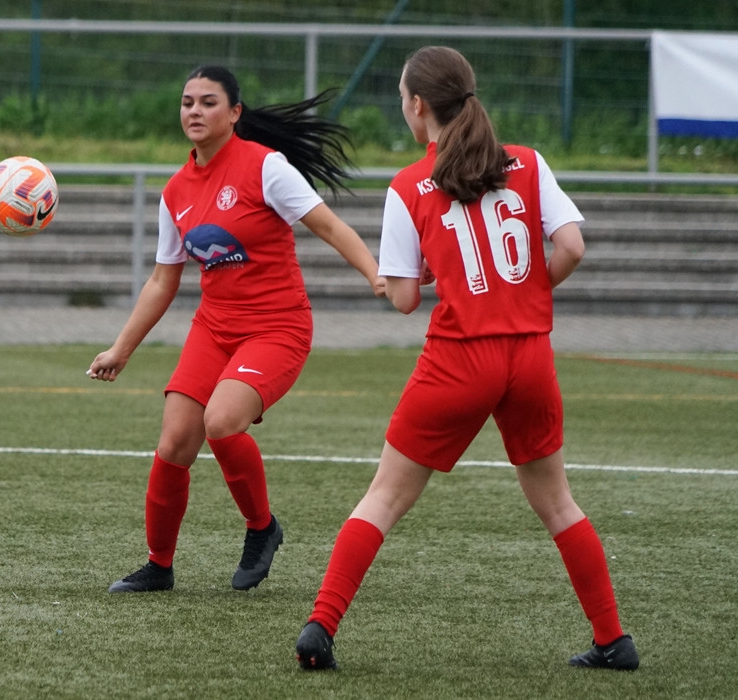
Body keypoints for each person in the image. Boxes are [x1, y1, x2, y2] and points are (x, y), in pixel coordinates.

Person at [295, 46, 638, 671]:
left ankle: (321, 626)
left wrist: (405, 279)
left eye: (403, 100)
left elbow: (404, 298)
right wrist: (524, 291)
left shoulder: (408, 185)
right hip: (529, 356)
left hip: (459, 360)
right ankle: (614, 639)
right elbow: (572, 246)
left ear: (417, 106)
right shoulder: (527, 161)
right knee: (559, 503)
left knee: (384, 497)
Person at [89, 65, 383, 594]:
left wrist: (375, 274)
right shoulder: (176, 190)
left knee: (222, 421)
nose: (195, 111)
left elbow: (328, 225)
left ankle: (261, 528)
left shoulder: (266, 167)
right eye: (187, 102)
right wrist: (120, 349)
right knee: (175, 441)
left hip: (277, 327)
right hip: (214, 327)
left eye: (208, 102)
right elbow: (162, 280)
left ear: (234, 113)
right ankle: (158, 566)